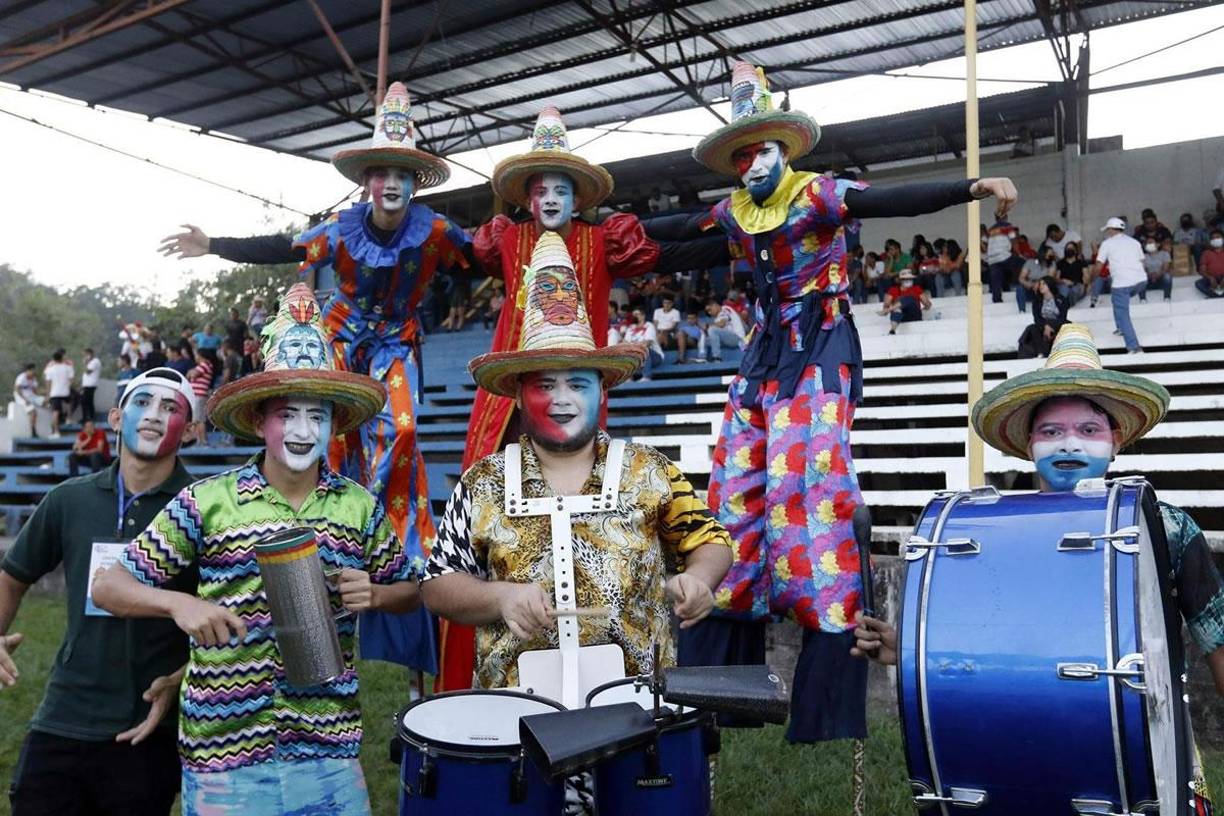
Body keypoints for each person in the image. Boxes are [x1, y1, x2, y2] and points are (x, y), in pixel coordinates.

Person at [643, 60, 1017, 745]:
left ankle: (826, 676)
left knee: (810, 484)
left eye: (762, 149)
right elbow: (673, 233)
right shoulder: (734, 211)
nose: (753, 163)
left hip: (819, 346)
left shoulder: (817, 194)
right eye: (741, 155)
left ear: (783, 148)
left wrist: (972, 185)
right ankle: (724, 681)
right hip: (763, 353)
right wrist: (601, 236)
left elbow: (893, 201)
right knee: (733, 490)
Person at [160, 86, 463, 682]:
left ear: (415, 182)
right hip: (341, 337)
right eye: (381, 173)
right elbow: (281, 246)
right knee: (326, 432)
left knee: (402, 430)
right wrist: (213, 245)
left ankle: (383, 529)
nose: (391, 183)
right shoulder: (339, 229)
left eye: (402, 173)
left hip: (396, 343)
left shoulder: (436, 232)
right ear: (367, 182)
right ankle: (329, 519)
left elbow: (484, 255)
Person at [855, 324, 1221, 813]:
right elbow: (1000, 639)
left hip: (1150, 752)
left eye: (1089, 430)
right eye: (1051, 431)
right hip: (1035, 748)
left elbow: (1218, 645)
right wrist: (910, 652)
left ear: (1116, 441)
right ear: (1029, 444)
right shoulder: (995, 532)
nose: (1069, 444)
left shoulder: (1168, 528)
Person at [92, 285, 420, 816]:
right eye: (287, 414)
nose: (302, 429)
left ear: (333, 425)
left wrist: (380, 596)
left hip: (328, 752)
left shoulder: (358, 506)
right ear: (260, 420)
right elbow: (109, 586)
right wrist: (179, 604)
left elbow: (409, 589)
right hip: (224, 758)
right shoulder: (207, 501)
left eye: (317, 416)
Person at [421, 231, 733, 692]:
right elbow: (437, 585)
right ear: (519, 394)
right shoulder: (481, 482)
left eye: (577, 384)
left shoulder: (649, 470)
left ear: (601, 391)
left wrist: (700, 580)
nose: (561, 399)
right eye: (545, 385)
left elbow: (711, 540)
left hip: (634, 711)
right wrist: (499, 597)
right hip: (517, 711)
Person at [1, 367, 199, 815]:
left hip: (146, 725)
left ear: (190, 430)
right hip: (62, 715)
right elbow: (12, 576)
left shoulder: (203, 508)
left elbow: (234, 615)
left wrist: (180, 679)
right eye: (142, 403)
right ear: (115, 417)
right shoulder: (69, 499)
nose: (154, 415)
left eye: (170, 408)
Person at [1093, 216, 1147, 353]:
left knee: (1123, 314)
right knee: (1116, 300)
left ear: (1111, 229)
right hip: (1141, 281)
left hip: (1122, 283)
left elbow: (1099, 265)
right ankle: (1120, 328)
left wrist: (1092, 278)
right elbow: (1142, 262)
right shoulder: (1134, 242)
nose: (1107, 233)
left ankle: (1134, 347)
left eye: (1107, 230)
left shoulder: (1107, 244)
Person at [1018, 275, 1069, 358]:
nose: (1041, 286)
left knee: (1067, 327)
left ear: (1050, 285)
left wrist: (1050, 326)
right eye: (1040, 284)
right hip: (1042, 324)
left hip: (1057, 324)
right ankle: (1041, 352)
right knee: (1032, 328)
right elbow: (1037, 318)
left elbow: (1062, 317)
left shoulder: (1062, 300)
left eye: (1044, 284)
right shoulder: (1037, 301)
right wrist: (1046, 326)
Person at [879, 269, 931, 335]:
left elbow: (927, 304)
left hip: (914, 314)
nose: (908, 280)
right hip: (901, 316)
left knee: (909, 298)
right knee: (897, 309)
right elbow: (886, 305)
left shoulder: (917, 288)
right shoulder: (893, 290)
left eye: (910, 278)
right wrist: (886, 308)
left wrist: (927, 304)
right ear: (900, 280)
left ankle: (891, 309)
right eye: (905, 279)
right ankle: (892, 330)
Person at [623, 307, 664, 380]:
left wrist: (632, 346)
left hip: (655, 357)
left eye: (637, 314)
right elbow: (624, 343)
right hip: (636, 357)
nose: (634, 316)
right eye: (633, 315)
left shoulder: (649, 325)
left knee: (643, 348)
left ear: (643, 316)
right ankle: (629, 378)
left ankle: (646, 376)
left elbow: (647, 343)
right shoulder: (631, 327)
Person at [985, 216, 1019, 304]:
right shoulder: (1008, 226)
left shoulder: (990, 229)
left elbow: (986, 244)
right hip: (1004, 256)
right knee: (1021, 264)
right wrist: (1018, 253)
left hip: (992, 258)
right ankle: (1019, 287)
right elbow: (1014, 241)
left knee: (996, 278)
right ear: (1006, 217)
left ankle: (997, 300)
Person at [43, 350, 73, 438]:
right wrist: (67, 386)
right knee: (68, 404)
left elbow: (48, 382)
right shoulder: (68, 367)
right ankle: (68, 418)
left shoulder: (50, 369)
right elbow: (71, 379)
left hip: (54, 393)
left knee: (55, 412)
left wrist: (47, 395)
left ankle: (56, 432)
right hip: (65, 391)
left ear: (54, 359)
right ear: (62, 358)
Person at [652, 294, 687, 362]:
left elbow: (674, 326)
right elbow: (655, 324)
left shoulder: (676, 312)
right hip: (659, 333)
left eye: (669, 303)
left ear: (672, 304)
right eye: (665, 303)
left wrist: (664, 331)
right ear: (662, 303)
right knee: (657, 335)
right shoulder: (657, 311)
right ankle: (656, 359)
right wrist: (657, 333)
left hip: (671, 333)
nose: (666, 305)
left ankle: (681, 357)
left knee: (681, 333)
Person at [1139, 236, 1173, 302]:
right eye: (1147, 243)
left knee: (1167, 276)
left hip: (1161, 280)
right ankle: (1142, 299)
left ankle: (1167, 298)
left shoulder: (1164, 254)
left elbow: (1165, 267)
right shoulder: (1143, 256)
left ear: (1157, 244)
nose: (1149, 244)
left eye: (1151, 242)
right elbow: (1143, 269)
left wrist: (1157, 274)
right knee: (1140, 277)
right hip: (1148, 281)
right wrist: (1150, 275)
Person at [12, 363, 42, 438]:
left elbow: (35, 391)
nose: (33, 372)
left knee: (47, 402)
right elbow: (17, 389)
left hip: (31, 395)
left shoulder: (33, 379)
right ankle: (33, 431)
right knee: (33, 412)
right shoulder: (21, 377)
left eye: (34, 370)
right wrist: (25, 399)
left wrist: (44, 396)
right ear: (27, 371)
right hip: (21, 396)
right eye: (32, 370)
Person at [1196, 227, 1224, 298]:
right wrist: (1210, 278)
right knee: (1199, 283)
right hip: (1212, 278)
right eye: (1213, 238)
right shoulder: (1206, 253)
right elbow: (1202, 270)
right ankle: (1215, 296)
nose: (1215, 239)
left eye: (1218, 237)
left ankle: (1216, 296)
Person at [79, 347, 101, 423]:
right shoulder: (90, 362)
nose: (85, 357)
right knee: (87, 401)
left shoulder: (95, 361)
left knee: (86, 401)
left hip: (91, 385)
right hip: (86, 385)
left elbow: (88, 371)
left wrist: (85, 363)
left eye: (86, 355)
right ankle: (87, 417)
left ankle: (89, 417)